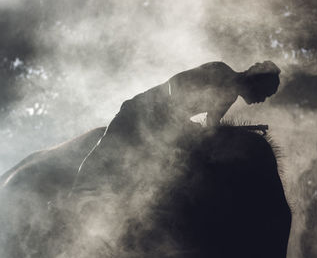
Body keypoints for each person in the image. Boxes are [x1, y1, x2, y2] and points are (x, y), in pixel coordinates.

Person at [72, 61, 281, 193]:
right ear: (256, 78)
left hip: (163, 127)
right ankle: (73, 196)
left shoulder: (229, 97)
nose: (262, 99)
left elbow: (211, 127)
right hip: (141, 112)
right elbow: (175, 85)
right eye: (266, 92)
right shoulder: (219, 71)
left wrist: (242, 131)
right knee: (104, 153)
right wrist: (180, 120)